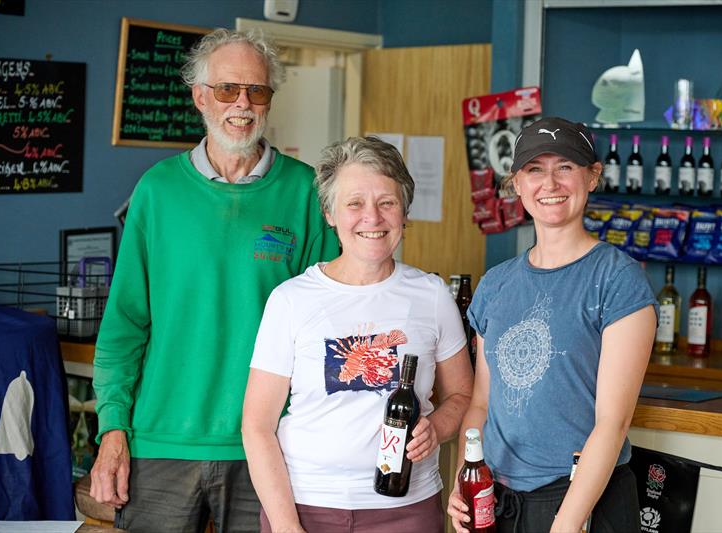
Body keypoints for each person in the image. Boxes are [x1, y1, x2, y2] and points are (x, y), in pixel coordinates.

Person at [89, 29, 339, 533]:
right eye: (227, 89)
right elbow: (125, 324)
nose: (242, 104)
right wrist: (112, 427)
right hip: (161, 442)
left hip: (269, 444)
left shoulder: (306, 191)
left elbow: (330, 325)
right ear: (200, 96)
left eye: (257, 91)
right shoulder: (157, 191)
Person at [242, 136, 474, 533]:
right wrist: (286, 527)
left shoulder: (432, 295)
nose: (373, 218)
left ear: (404, 213)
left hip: (408, 511)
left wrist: (437, 427)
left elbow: (463, 396)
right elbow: (257, 425)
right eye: (355, 204)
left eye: (387, 202)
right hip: (306, 507)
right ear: (330, 214)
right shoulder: (292, 300)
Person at [448, 117, 657, 533]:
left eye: (565, 166)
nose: (550, 183)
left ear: (592, 176)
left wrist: (565, 523)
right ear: (517, 184)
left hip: (583, 502)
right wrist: (464, 482)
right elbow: (480, 405)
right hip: (498, 502)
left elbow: (612, 423)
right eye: (535, 170)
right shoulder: (497, 283)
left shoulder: (617, 280)